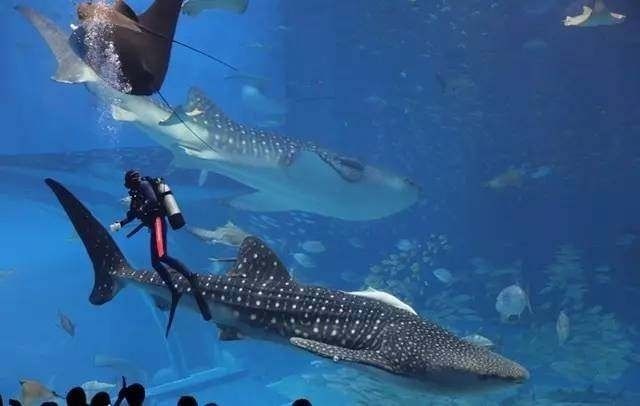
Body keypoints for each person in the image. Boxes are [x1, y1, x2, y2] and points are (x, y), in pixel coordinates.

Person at [110, 170, 211, 334]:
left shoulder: (143, 185)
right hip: (152, 226)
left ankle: (191, 276)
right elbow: (132, 215)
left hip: (158, 222)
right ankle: (173, 288)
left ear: (130, 181)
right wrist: (120, 224)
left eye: (127, 183)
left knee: (162, 255)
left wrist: (140, 208)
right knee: (155, 262)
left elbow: (153, 201)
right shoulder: (135, 195)